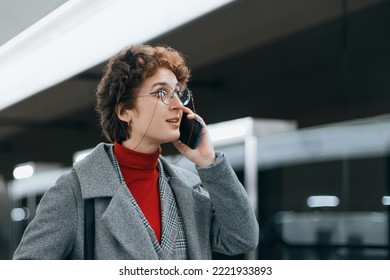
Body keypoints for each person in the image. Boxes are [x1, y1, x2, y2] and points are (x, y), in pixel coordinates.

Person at [13, 44, 259, 260]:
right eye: (161, 92)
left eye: (177, 93)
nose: (176, 105)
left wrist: (208, 162)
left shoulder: (190, 188)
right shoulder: (75, 192)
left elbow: (242, 238)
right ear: (124, 111)